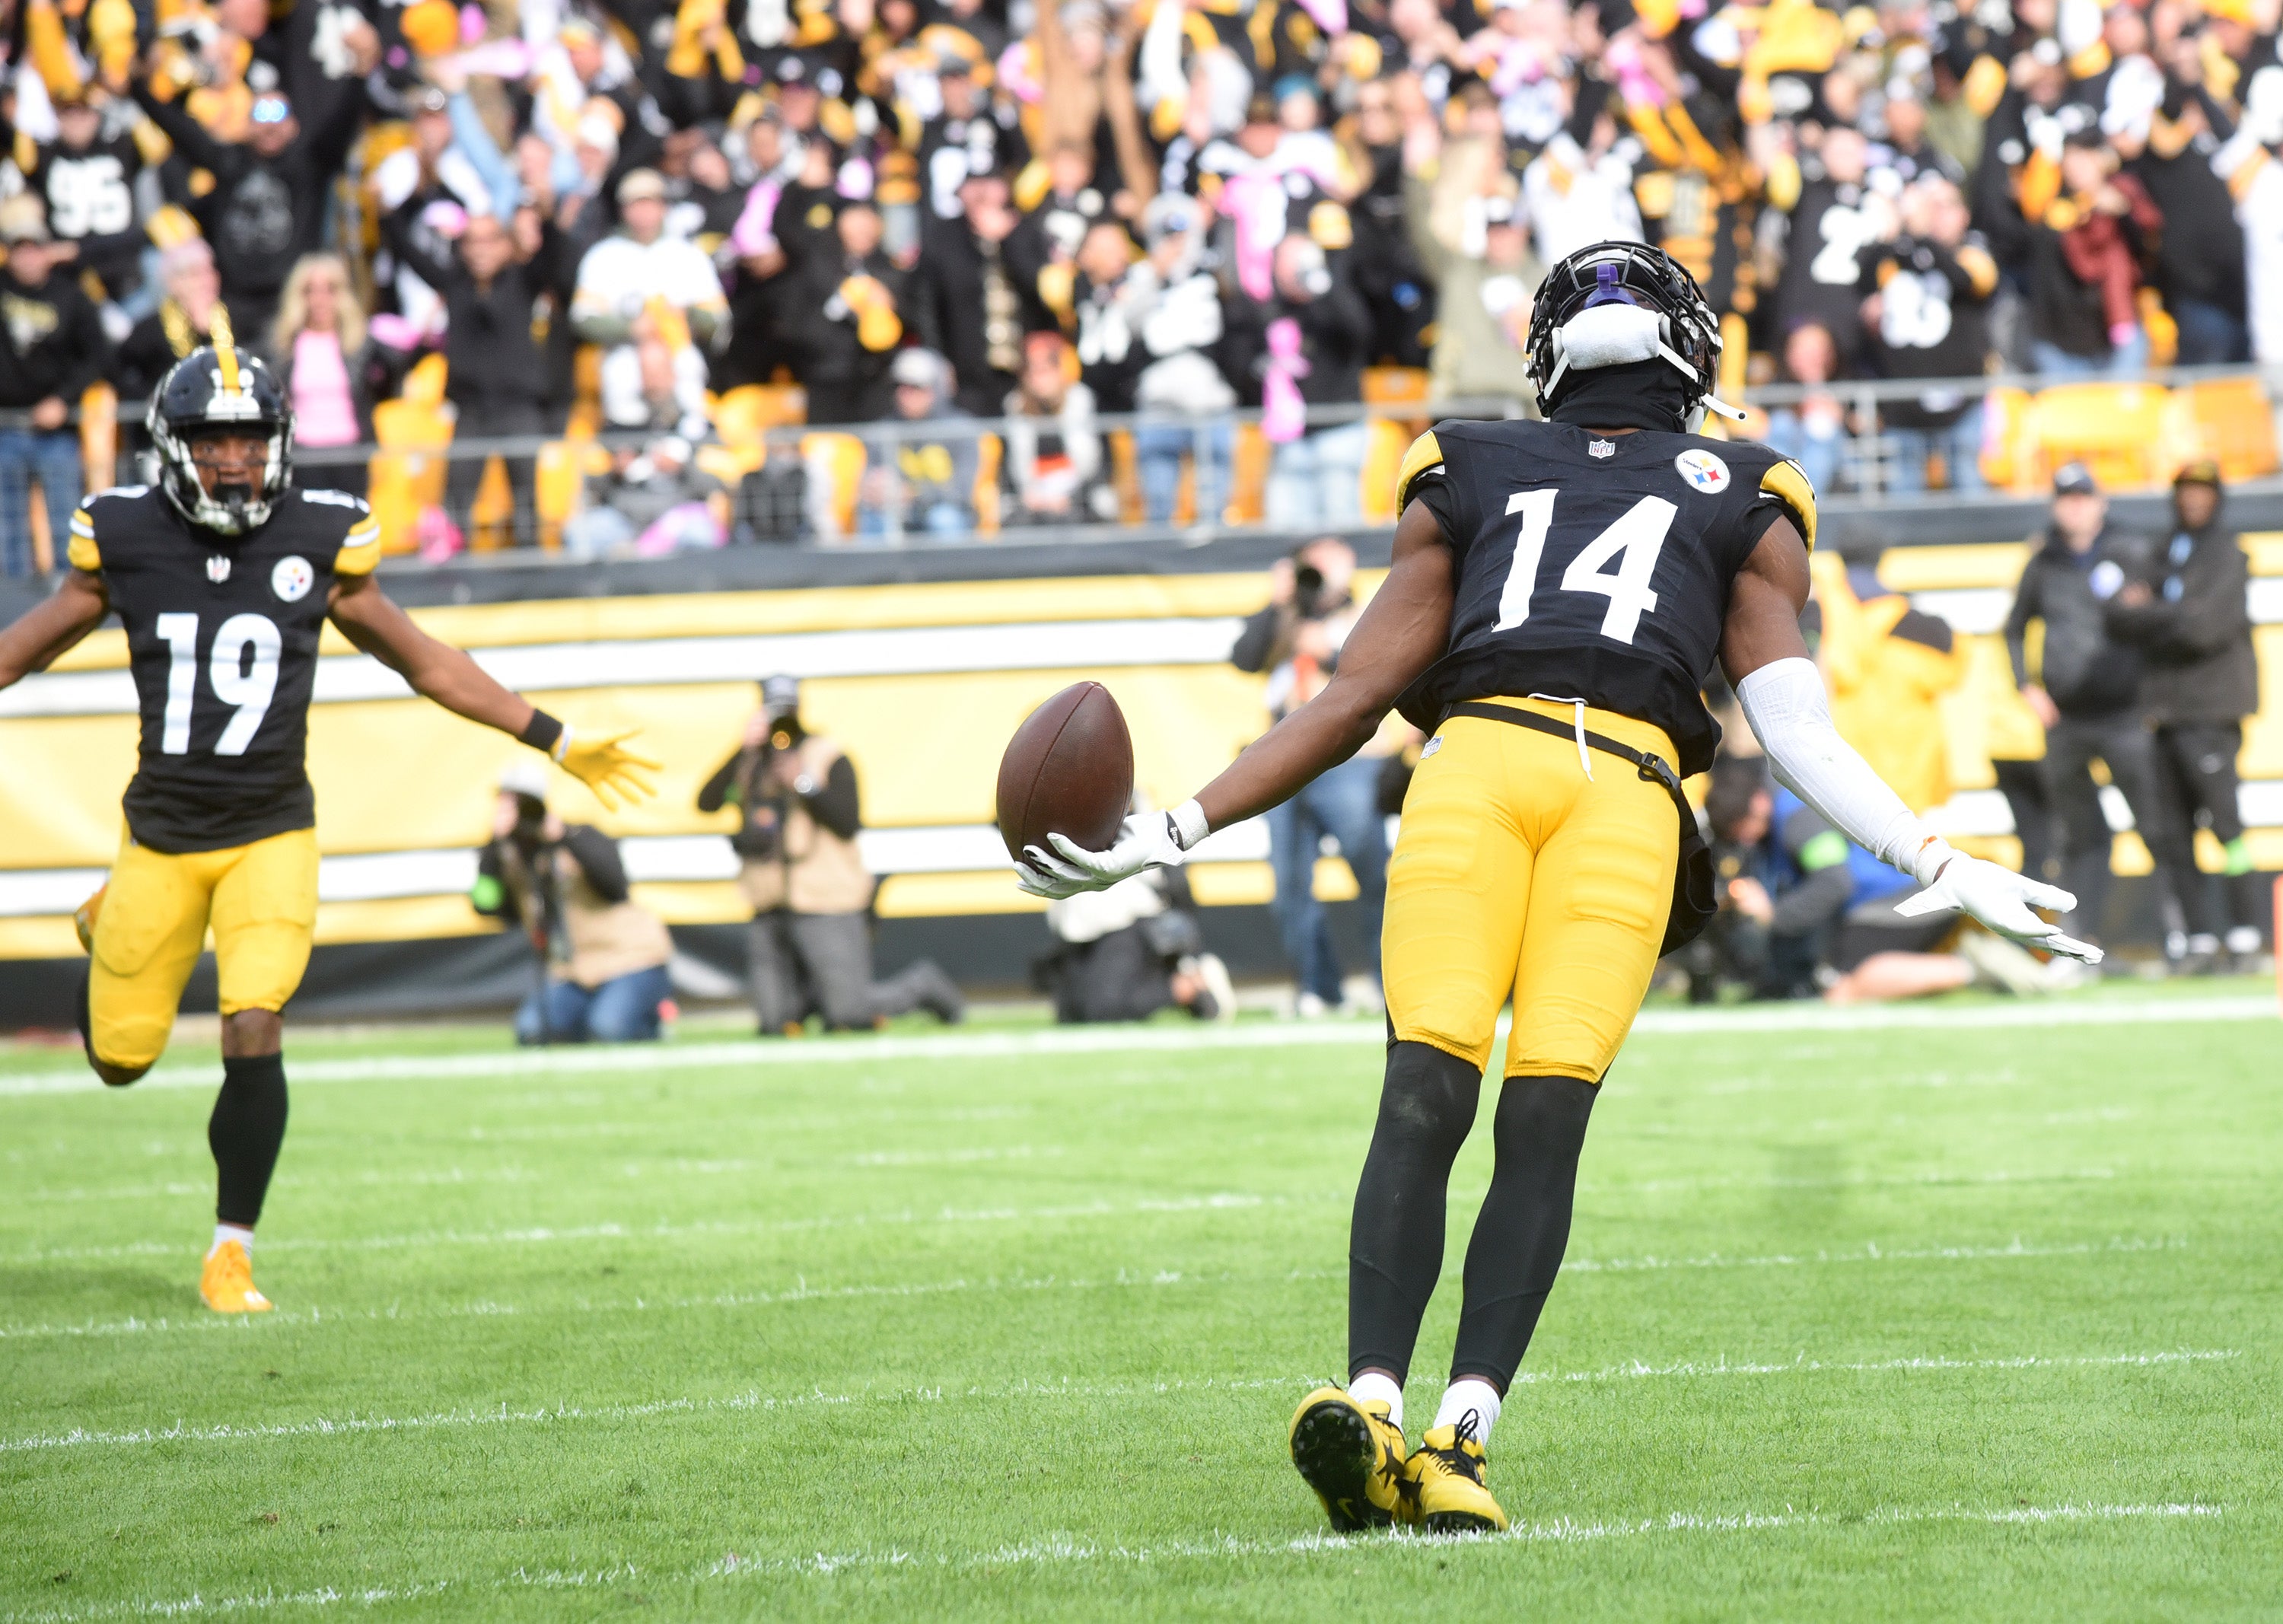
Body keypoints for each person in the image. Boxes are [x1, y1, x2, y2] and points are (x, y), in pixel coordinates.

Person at [1017, 241, 2094, 1536]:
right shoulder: (1717, 478)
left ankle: (1438, 1425)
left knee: (1449, 1093)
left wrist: (1180, 823)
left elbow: (1356, 696)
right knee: (1510, 1106)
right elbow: (1785, 725)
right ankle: (1400, 1422)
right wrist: (1937, 853)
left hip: (1493, 773)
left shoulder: (1491, 457)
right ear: (1696, 354)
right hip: (1603, 792)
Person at [0, 335, 657, 1314]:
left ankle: (232, 1250)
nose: (235, 461)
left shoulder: (322, 537)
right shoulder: (122, 538)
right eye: (214, 442)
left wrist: (554, 739)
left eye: (251, 440)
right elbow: (25, 647)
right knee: (120, 1060)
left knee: (253, 1023)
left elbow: (424, 660)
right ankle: (111, 918)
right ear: (174, 446)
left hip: (273, 829)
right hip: (161, 838)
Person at [697, 676, 965, 1033]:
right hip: (769, 902)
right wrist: (742, 750)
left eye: (787, 710)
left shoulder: (828, 756)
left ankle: (924, 987)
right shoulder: (750, 762)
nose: (781, 720)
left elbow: (848, 823)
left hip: (827, 901)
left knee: (849, 1014)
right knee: (773, 1023)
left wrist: (803, 783)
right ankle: (816, 997)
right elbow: (707, 803)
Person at [2004, 462, 2187, 953]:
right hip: (2066, 719)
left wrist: (2155, 690)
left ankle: (2181, 934)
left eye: (2083, 497)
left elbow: (2167, 619)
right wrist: (2028, 685)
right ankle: (2080, 942)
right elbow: (2015, 628)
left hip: (2125, 714)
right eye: (2066, 498)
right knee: (2079, 834)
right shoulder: (2044, 562)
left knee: (2154, 824)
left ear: (2100, 503)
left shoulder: (2130, 550)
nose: (2074, 507)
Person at [2105, 460, 2268, 970]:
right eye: (2185, 491)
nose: (2193, 500)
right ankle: (2199, 938)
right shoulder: (2163, 549)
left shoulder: (2228, 555)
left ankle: (2247, 934)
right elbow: (2116, 615)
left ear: (2218, 497)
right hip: (2165, 713)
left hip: (2211, 711)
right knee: (2173, 832)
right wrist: (2167, 614)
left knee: (2227, 826)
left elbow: (2205, 628)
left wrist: (2151, 613)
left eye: (2203, 491)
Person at [1230, 537, 1390, 1014]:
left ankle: (1390, 986)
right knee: (1289, 886)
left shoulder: (1365, 614)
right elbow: (1243, 657)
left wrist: (1325, 652)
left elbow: (1380, 671)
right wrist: (1277, 601)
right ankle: (1319, 988)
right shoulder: (1284, 617)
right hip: (1285, 765)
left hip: (1348, 764)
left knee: (1374, 879)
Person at [474, 763, 675, 1044]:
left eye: (522, 805)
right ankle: (594, 1017)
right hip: (572, 972)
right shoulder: (507, 856)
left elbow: (617, 886)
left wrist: (562, 837)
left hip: (628, 960)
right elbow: (486, 906)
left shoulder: (579, 836)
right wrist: (493, 849)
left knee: (609, 1030)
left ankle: (651, 1018)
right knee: (531, 1032)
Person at [0, 197, 110, 577]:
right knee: (6, 529)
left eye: (35, 249)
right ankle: (9, 609)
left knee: (66, 519)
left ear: (48, 253)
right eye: (20, 250)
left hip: (56, 429)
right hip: (5, 425)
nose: (28, 259)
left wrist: (63, 401)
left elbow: (98, 358)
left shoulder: (72, 296)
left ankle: (66, 603)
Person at [1041, 863, 1234, 1024]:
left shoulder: (1136, 821)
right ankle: (1184, 984)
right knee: (1072, 1014)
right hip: (1078, 930)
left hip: (1127, 923)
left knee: (1103, 1008)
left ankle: (1186, 986)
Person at [266, 255, 374, 498]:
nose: (320, 300)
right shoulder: (281, 348)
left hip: (350, 455)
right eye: (310, 291)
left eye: (330, 290)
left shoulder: (362, 346)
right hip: (303, 457)